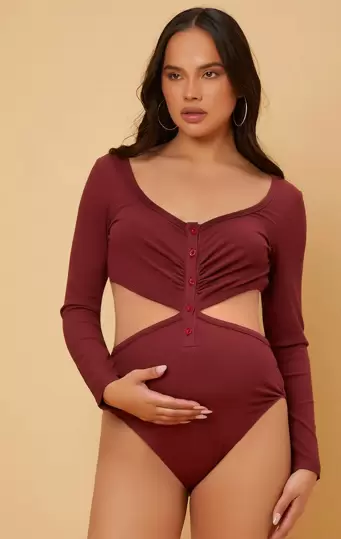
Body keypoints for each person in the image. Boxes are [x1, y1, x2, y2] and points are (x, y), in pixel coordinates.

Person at [60, 6, 321, 539]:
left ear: (238, 82)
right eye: (175, 75)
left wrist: (307, 461)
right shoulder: (112, 176)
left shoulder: (282, 201)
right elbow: (78, 309)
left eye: (210, 73)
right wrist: (109, 390)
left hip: (251, 428)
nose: (191, 93)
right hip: (139, 425)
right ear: (160, 85)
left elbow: (289, 338)